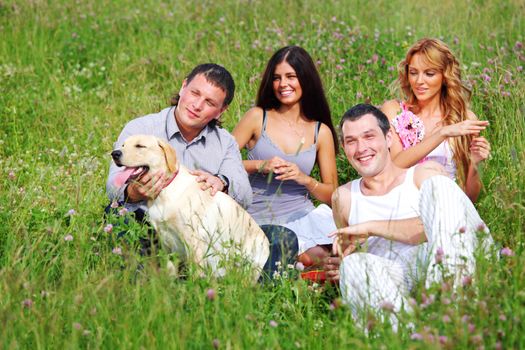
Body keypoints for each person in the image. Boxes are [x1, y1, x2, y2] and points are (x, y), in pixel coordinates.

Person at [327, 104, 493, 326]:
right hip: (395, 278)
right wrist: (341, 268)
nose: (361, 148)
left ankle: (454, 309)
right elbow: (349, 252)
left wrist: (372, 227)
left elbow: (446, 226)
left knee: (439, 187)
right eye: (351, 141)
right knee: (353, 265)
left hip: (442, 261)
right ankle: (407, 336)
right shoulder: (344, 197)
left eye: (369, 137)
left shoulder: (423, 175)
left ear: (388, 139)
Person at [232, 46, 339, 268]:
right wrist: (259, 165)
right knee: (287, 255)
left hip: (300, 216)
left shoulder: (321, 132)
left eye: (291, 77)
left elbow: (333, 195)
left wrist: (305, 179)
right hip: (257, 217)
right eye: (277, 78)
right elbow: (221, 164)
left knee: (327, 256)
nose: (283, 84)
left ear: (306, 80)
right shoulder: (256, 117)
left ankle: (297, 275)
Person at [381, 38, 491, 202]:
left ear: (445, 76)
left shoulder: (463, 119)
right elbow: (397, 164)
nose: (419, 81)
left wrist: (475, 164)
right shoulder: (394, 110)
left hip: (446, 203)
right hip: (402, 202)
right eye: (413, 72)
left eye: (429, 74)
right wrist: (442, 133)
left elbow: (469, 198)